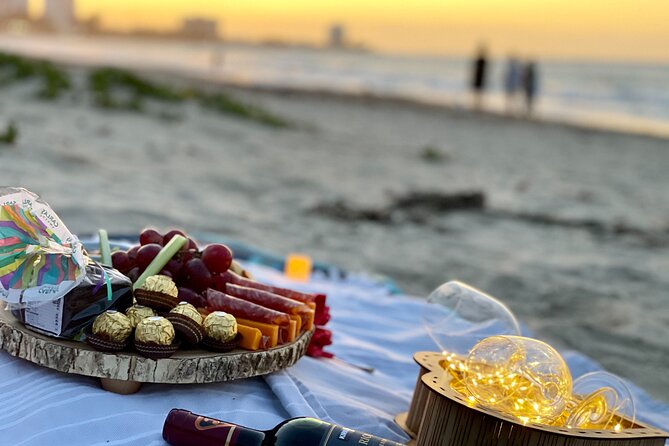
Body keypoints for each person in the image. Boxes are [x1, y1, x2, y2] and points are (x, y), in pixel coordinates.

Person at [470, 44, 488, 110]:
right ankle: (476, 104)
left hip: (480, 77)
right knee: (477, 91)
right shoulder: (481, 60)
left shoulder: (482, 60)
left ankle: (478, 104)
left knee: (479, 91)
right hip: (478, 77)